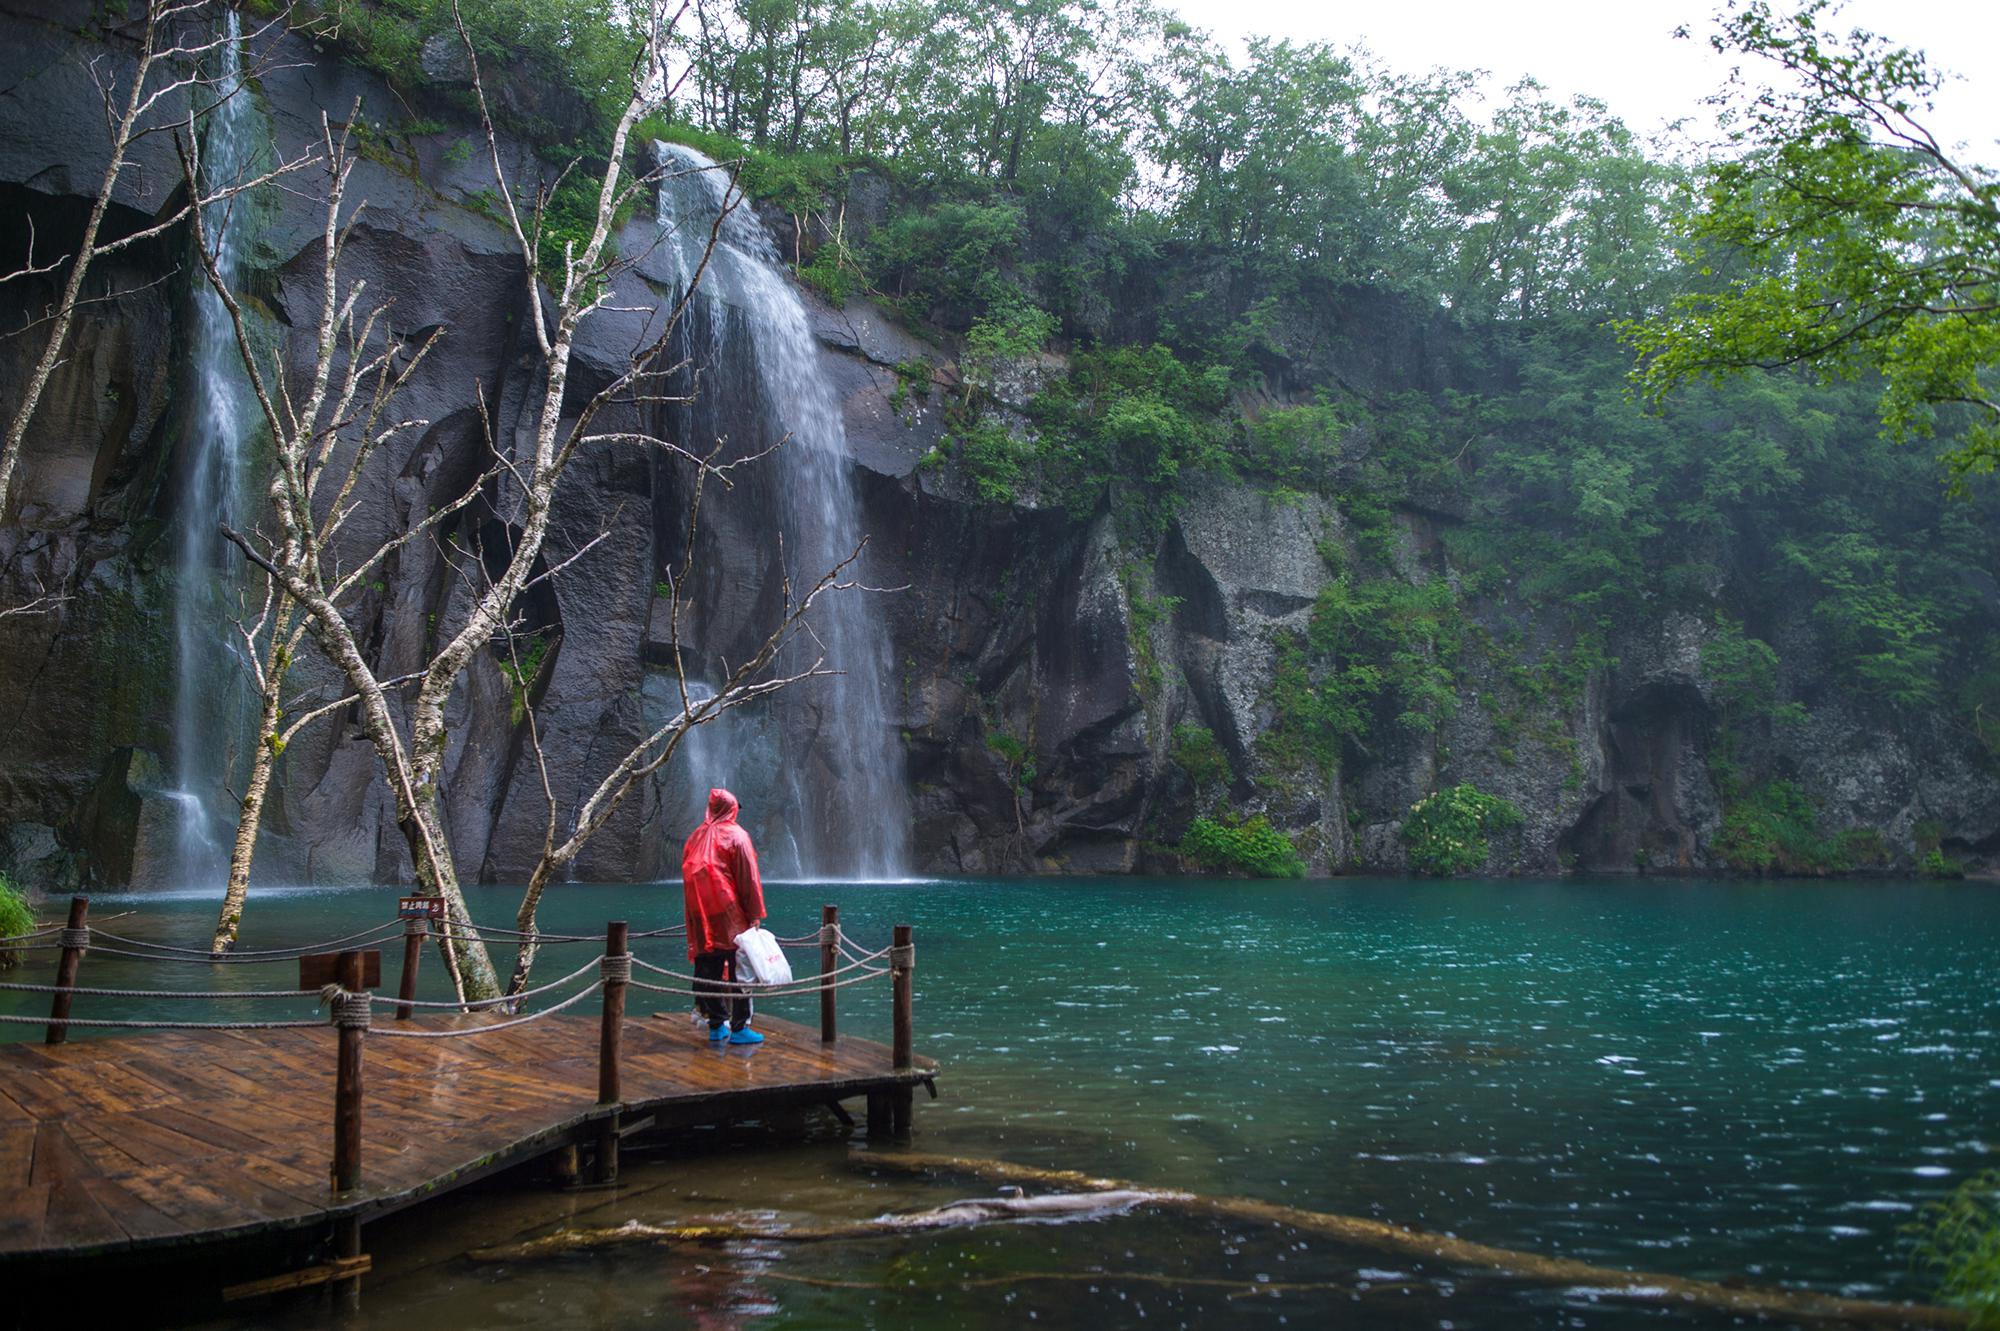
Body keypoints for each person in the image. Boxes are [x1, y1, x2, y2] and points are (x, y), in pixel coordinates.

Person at [681, 787, 767, 1045]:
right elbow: (748, 878)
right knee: (742, 970)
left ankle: (717, 1024)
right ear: (730, 809)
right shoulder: (737, 836)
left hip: (702, 913)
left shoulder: (695, 836)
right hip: (731, 914)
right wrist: (754, 913)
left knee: (707, 967)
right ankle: (740, 1029)